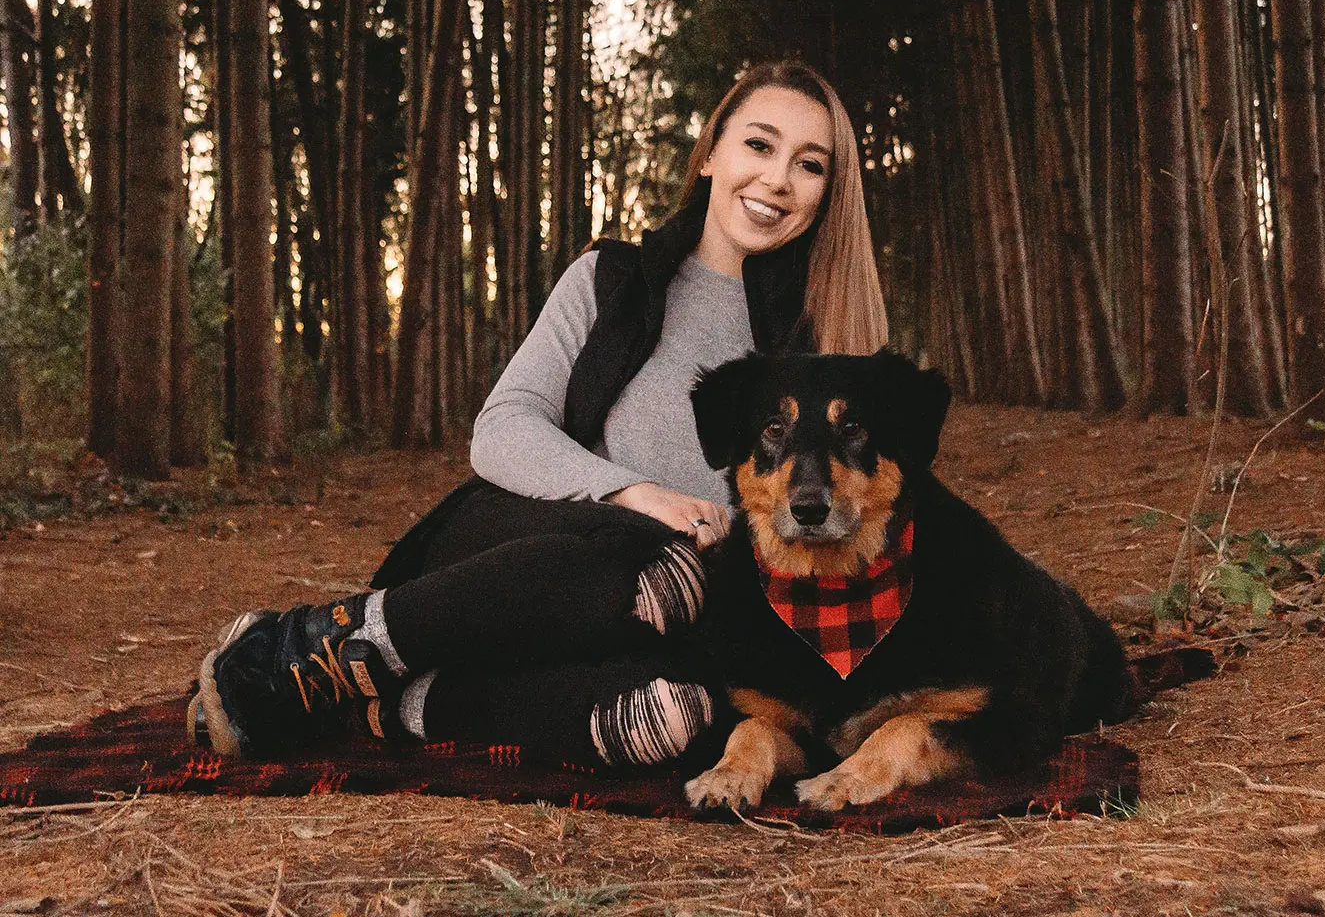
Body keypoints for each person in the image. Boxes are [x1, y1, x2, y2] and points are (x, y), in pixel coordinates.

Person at [187, 60, 889, 772]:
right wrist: (634, 495)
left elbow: (860, 525)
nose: (777, 180)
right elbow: (503, 428)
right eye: (760, 146)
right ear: (711, 154)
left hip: (690, 616)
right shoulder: (611, 281)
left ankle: (393, 704)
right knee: (645, 559)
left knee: (679, 712)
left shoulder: (826, 344)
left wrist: (740, 544)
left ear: (828, 194)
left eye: (809, 165)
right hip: (531, 561)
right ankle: (308, 649)